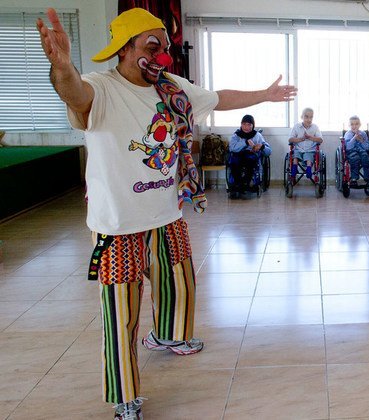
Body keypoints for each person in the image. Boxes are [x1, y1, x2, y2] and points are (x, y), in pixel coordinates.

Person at [36, 7, 297, 419]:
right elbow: (73, 94)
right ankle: (124, 395)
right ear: (125, 49)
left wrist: (262, 95)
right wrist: (63, 66)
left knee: (179, 279)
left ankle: (168, 336)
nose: (162, 55)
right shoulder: (99, 88)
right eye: (152, 45)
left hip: (166, 213)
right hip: (117, 225)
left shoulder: (171, 88)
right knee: (121, 311)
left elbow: (218, 97)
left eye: (165, 46)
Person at [228, 114, 271, 199]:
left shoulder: (257, 135)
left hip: (251, 156)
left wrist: (261, 147)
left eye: (249, 124)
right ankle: (237, 185)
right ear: (241, 124)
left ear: (253, 125)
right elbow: (232, 148)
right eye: (244, 124)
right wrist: (246, 143)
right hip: (238, 155)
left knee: (250, 161)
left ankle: (246, 184)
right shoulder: (236, 135)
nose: (246, 127)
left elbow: (268, 151)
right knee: (234, 162)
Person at [289, 107, 323, 179]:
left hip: (310, 150)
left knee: (309, 156)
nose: (309, 119)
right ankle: (294, 169)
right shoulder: (296, 126)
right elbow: (290, 140)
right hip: (298, 149)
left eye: (311, 117)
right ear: (302, 117)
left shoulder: (315, 127)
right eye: (306, 117)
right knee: (295, 155)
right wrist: (301, 139)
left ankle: (308, 170)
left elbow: (320, 140)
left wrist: (310, 137)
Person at [344, 115, 369, 185]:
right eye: (352, 124)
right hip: (352, 152)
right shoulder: (347, 134)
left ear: (360, 125)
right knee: (355, 159)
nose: (354, 126)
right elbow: (348, 147)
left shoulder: (363, 134)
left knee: (366, 158)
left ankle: (368, 178)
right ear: (349, 125)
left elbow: (367, 147)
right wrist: (354, 138)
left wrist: (361, 140)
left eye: (356, 124)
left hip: (362, 151)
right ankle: (354, 178)